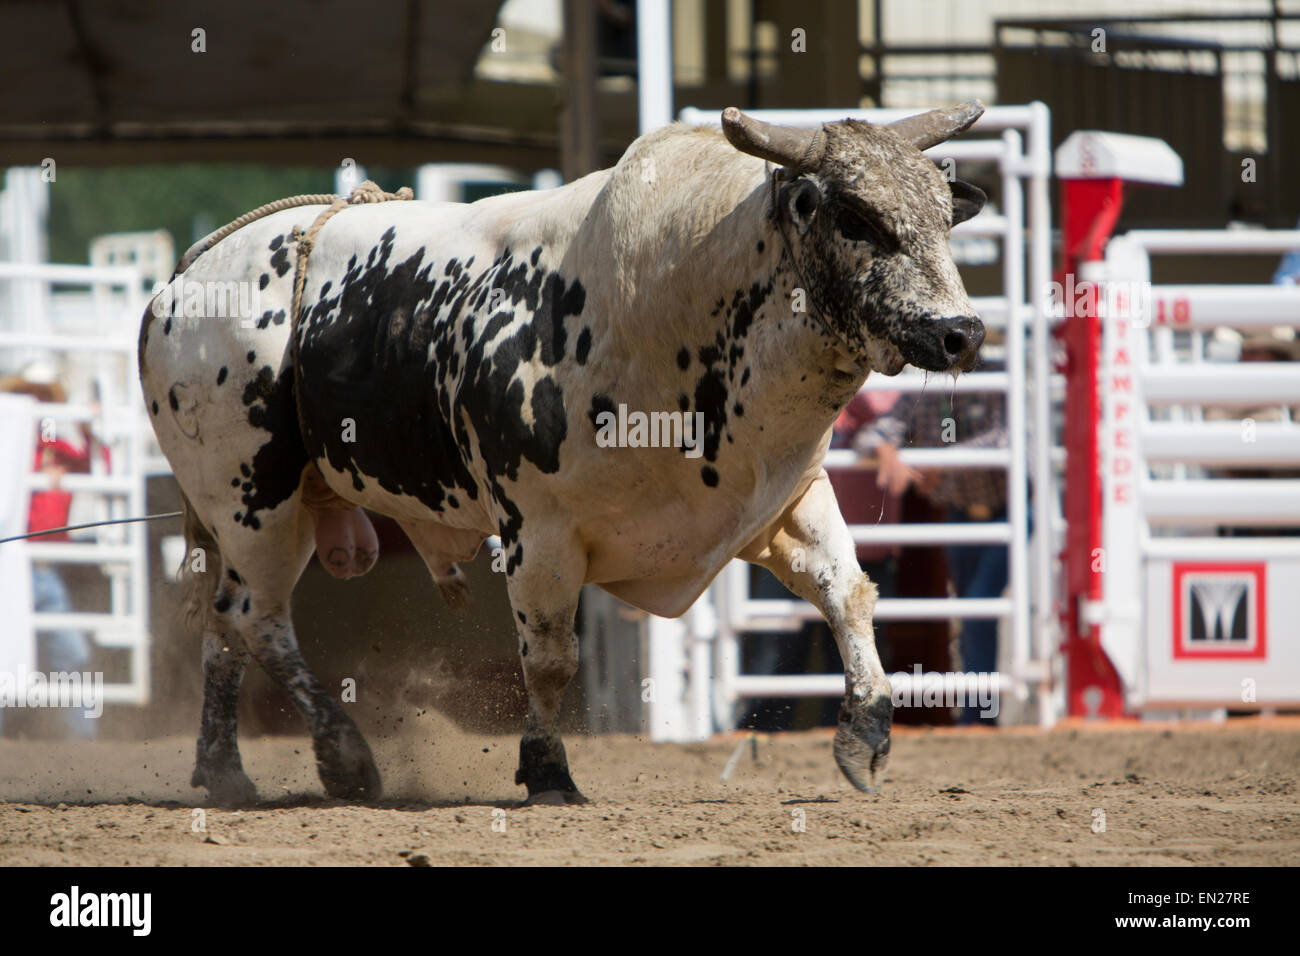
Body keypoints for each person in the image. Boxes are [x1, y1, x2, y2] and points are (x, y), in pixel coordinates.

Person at [854, 372, 1008, 726]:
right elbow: (875, 433)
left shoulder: (994, 378)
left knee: (976, 608)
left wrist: (942, 460)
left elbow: (1004, 439)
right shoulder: (921, 394)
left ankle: (979, 716)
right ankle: (979, 716)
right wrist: (886, 449)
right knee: (972, 613)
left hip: (1007, 513)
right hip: (962, 515)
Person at [0, 368, 102, 740]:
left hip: (43, 569)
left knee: (68, 653)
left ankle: (84, 743)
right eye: (31, 395)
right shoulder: (11, 449)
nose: (38, 403)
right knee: (10, 657)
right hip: (13, 568)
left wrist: (90, 429)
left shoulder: (56, 447)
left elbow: (91, 466)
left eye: (43, 396)